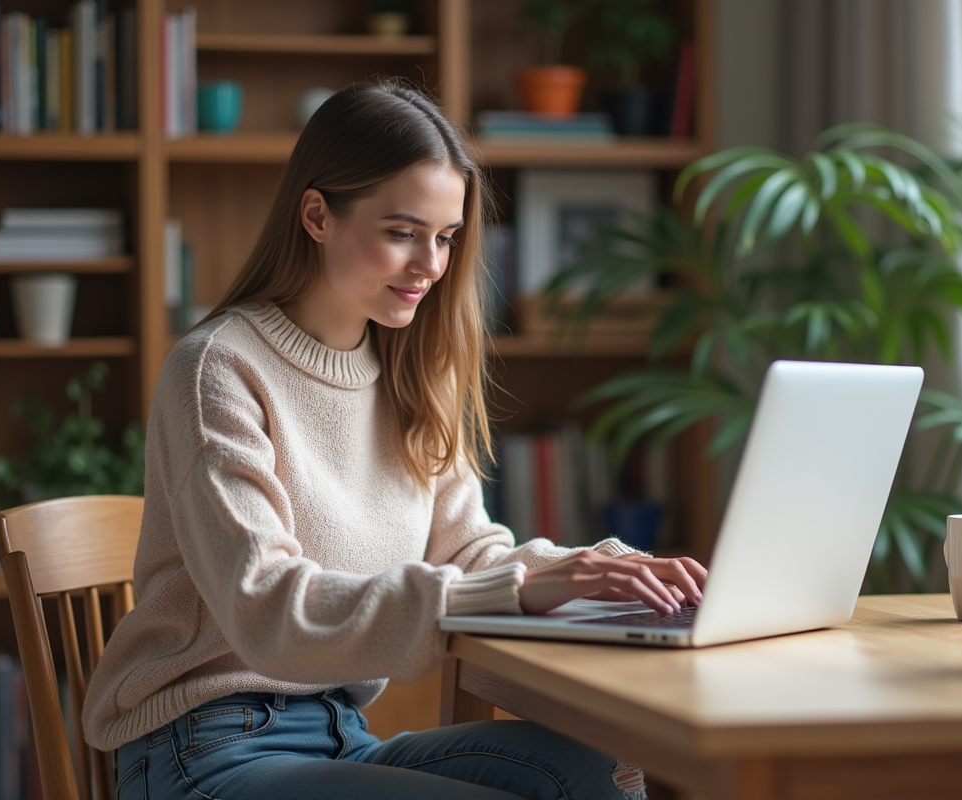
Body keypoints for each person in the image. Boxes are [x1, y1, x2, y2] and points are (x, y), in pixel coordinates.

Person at [83, 80, 707, 800]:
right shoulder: (218, 369)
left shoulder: (408, 373)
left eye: (445, 238)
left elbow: (475, 557)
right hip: (206, 746)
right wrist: (524, 588)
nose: (432, 266)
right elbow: (269, 610)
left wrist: (612, 575)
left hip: (339, 734)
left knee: (593, 765)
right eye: (402, 233)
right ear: (317, 215)